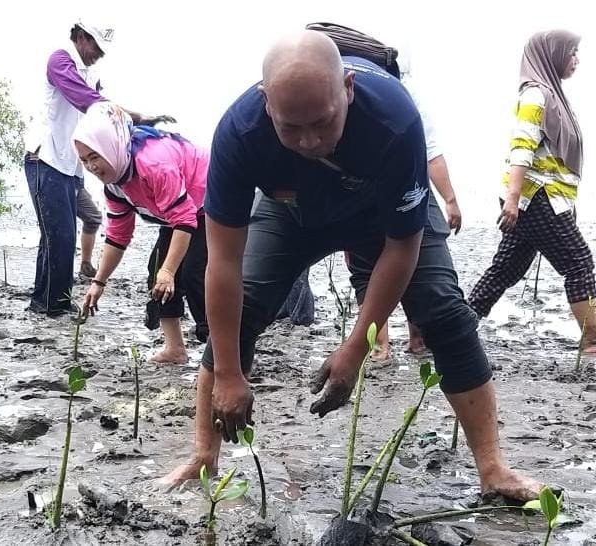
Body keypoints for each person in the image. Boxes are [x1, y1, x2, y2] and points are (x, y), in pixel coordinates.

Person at [164, 31, 541, 502]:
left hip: (382, 213)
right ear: (266, 105)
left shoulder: (394, 120)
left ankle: (493, 469)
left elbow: (402, 247)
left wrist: (356, 347)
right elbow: (223, 262)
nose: (309, 141)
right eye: (290, 128)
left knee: (443, 313)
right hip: (291, 210)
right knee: (246, 308)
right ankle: (204, 457)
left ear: (348, 88)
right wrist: (229, 375)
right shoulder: (240, 134)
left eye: (323, 123)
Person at [24, 20, 171, 316]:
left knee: (56, 235)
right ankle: (56, 306)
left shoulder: (92, 72)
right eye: (97, 47)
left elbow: (100, 110)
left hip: (69, 164)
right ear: (81, 36)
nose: (99, 55)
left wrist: (138, 123)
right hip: (45, 159)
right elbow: (88, 102)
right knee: (61, 236)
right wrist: (137, 117)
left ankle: (44, 302)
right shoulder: (60, 59)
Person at [468, 30, 596, 350]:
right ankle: (593, 340)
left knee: (505, 270)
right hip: (535, 198)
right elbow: (521, 148)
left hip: (539, 199)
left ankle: (457, 328)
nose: (576, 60)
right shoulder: (536, 95)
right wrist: (512, 201)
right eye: (571, 52)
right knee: (579, 263)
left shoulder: (553, 97)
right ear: (551, 54)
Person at [75, 102, 209, 363]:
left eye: (95, 157)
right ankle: (175, 349)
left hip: (210, 200)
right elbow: (118, 236)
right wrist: (98, 282)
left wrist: (170, 272)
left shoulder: (153, 163)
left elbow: (184, 219)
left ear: (111, 147)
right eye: (84, 161)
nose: (91, 167)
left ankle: (219, 356)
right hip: (178, 214)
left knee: (196, 275)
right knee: (155, 272)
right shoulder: (114, 185)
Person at [349, 66, 463, 360]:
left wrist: (450, 199)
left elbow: (431, 153)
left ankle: (380, 348)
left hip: (363, 194)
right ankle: (408, 342)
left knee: (369, 269)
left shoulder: (351, 94)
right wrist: (450, 200)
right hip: (404, 190)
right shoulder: (402, 96)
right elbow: (431, 153)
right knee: (415, 266)